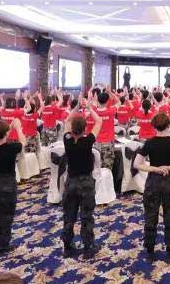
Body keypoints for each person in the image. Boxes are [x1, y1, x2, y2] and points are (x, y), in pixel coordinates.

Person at [134, 113, 170, 263]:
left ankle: (149, 249)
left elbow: (137, 164)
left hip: (153, 182)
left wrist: (155, 168)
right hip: (169, 182)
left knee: (150, 216)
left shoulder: (149, 143)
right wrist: (169, 167)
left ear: (154, 126)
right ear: (169, 125)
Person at [61, 105, 102, 258]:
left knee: (69, 216)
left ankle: (67, 246)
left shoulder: (67, 140)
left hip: (71, 182)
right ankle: (88, 246)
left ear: (72, 128)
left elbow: (67, 120)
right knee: (86, 216)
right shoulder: (88, 141)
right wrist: (89, 107)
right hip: (86, 182)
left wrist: (77, 106)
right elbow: (99, 121)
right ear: (85, 129)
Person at [0, 119, 26, 255]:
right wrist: (17, 128)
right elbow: (23, 142)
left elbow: (0, 135)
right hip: (7, 183)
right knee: (6, 214)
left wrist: (8, 128)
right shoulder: (11, 147)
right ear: (7, 133)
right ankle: (3, 244)